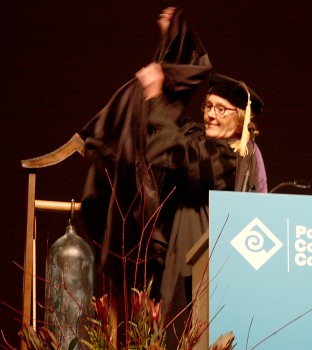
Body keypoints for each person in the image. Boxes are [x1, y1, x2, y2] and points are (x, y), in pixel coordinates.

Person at [82, 6, 267, 347]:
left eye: (220, 109)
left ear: (241, 120)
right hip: (174, 269)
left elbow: (176, 151)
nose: (210, 115)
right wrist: (175, 42)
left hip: (205, 276)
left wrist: (154, 98)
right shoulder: (200, 139)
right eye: (207, 106)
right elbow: (163, 129)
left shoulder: (235, 160)